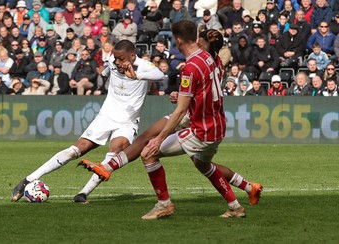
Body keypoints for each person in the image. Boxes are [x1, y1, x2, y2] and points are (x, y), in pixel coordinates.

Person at [78, 27, 262, 218]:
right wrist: (183, 95)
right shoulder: (213, 61)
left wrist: (161, 137)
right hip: (214, 123)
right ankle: (244, 194)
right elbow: (203, 90)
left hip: (197, 124)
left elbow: (181, 108)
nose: (197, 41)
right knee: (203, 164)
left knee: (149, 149)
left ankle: (159, 201)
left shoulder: (194, 65)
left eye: (201, 39)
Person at [11, 40, 165, 202]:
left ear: (132, 56)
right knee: (76, 150)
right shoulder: (113, 62)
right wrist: (103, 71)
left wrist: (137, 76)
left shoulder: (144, 66)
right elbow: (106, 70)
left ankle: (83, 193)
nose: (117, 62)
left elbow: (160, 75)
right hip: (106, 116)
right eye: (115, 58)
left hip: (128, 122)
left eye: (121, 59)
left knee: (115, 152)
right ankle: (28, 180)